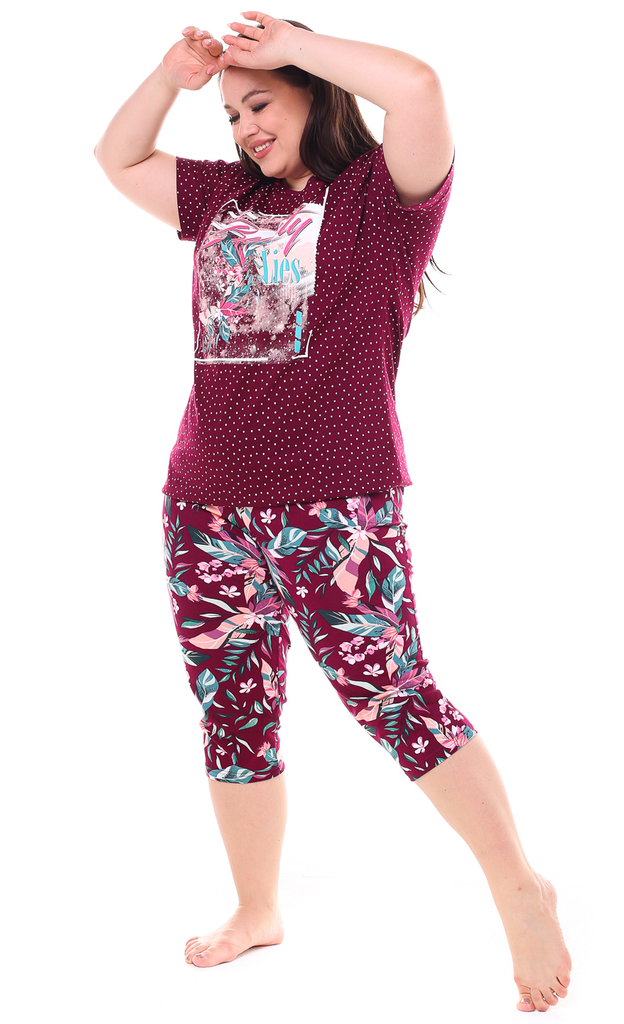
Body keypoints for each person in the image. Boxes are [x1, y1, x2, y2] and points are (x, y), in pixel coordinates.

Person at [93, 11, 572, 1011]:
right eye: (232, 115)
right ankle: (257, 906)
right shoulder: (225, 197)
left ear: (314, 91)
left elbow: (420, 87)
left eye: (260, 102)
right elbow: (118, 156)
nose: (245, 127)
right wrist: (174, 75)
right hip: (205, 505)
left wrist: (292, 45)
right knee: (232, 706)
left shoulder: (382, 204)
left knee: (393, 695)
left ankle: (517, 885)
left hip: (336, 502)